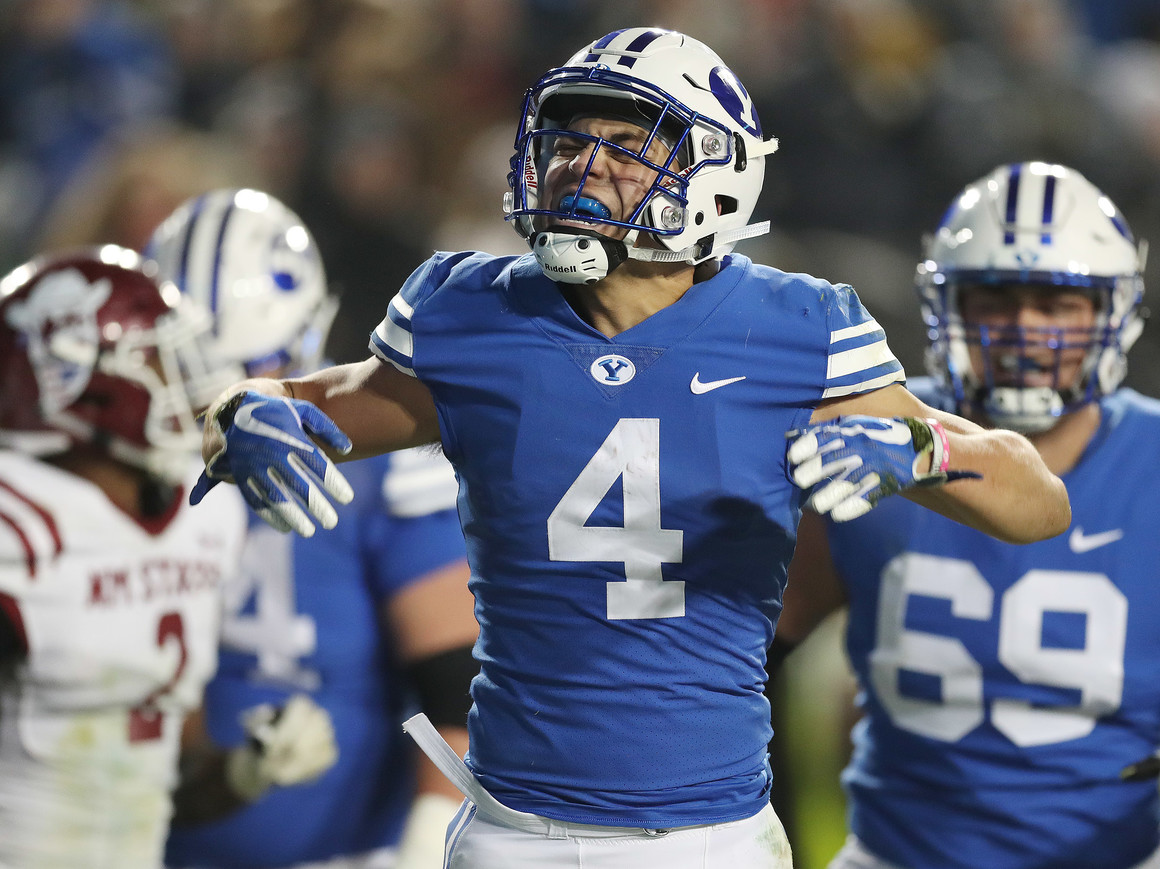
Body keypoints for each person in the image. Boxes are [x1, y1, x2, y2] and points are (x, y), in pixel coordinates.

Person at [190, 28, 1070, 869]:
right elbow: (299, 400)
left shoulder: (801, 330)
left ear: (715, 173)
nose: (584, 163)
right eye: (571, 138)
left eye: (628, 141)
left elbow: (1037, 503)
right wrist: (241, 412)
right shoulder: (470, 313)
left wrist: (921, 450)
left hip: (705, 834)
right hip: (511, 827)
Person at [0, 246, 338, 869]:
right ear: (76, 384)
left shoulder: (203, 515)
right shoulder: (0, 523)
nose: (184, 379)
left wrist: (248, 769)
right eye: (157, 358)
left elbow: (167, 777)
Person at [776, 162, 1157, 869]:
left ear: (1113, 312)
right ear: (945, 307)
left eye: (1057, 302)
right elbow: (759, 637)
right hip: (898, 850)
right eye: (994, 299)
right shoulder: (869, 435)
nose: (1024, 329)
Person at [147, 189, 477, 869]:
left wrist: (429, 837)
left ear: (304, 340)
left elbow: (461, 685)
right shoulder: (129, 466)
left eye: (254, 371)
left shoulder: (384, 471)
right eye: (203, 374)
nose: (227, 405)